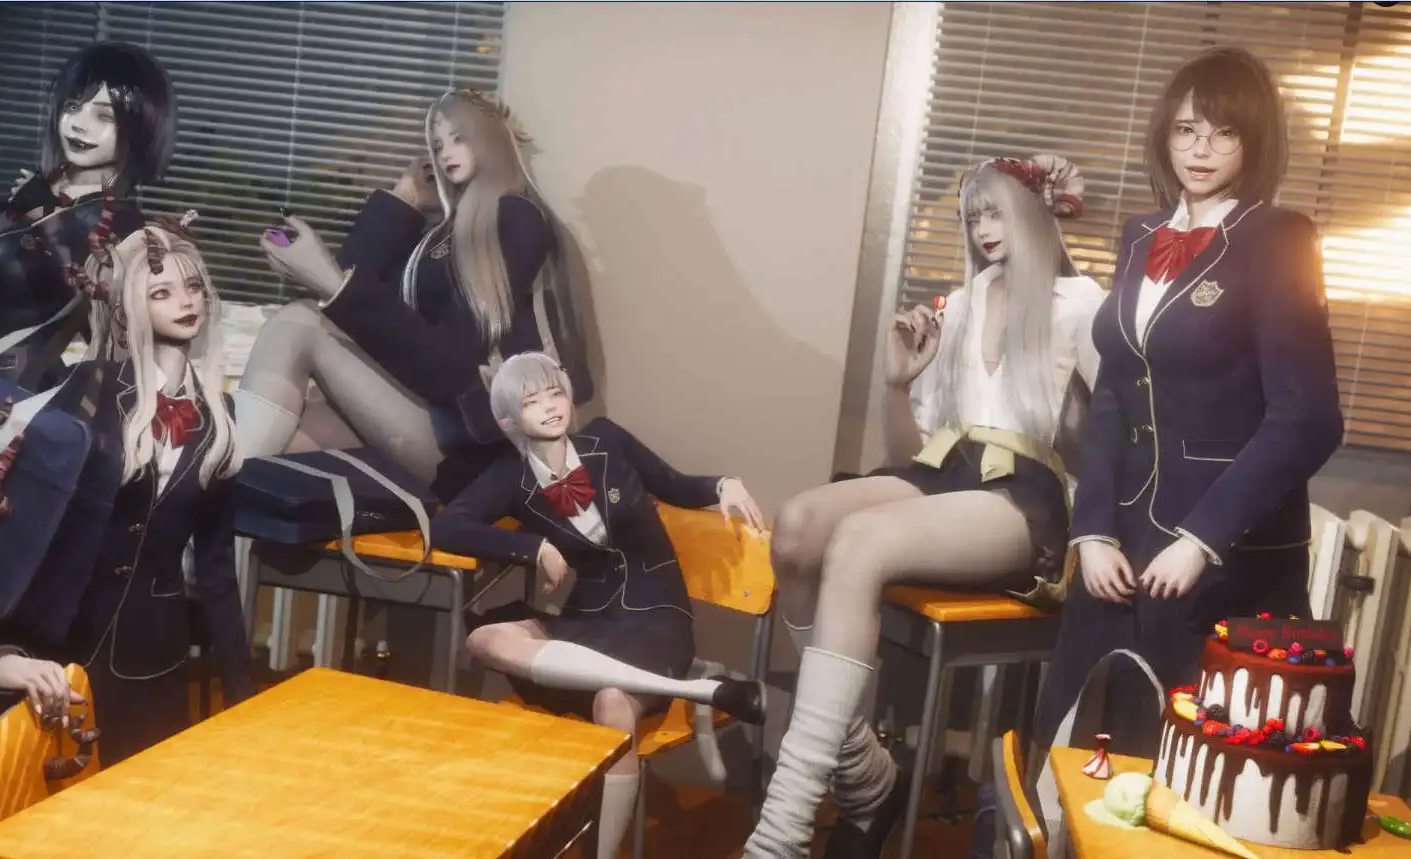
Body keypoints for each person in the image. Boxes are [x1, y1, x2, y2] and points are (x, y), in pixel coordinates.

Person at [746, 155, 1104, 858]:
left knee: (860, 541)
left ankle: (780, 831)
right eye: (973, 216)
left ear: (1036, 211)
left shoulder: (1081, 303)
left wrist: (1103, 535)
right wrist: (896, 384)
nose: (983, 228)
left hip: (1023, 496)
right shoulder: (962, 304)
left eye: (996, 211)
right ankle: (863, 770)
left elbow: (1120, 432)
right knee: (796, 527)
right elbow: (911, 448)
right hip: (947, 470)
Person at [1033, 45, 1344, 771]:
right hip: (1120, 543)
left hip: (1221, 550)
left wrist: (1202, 539)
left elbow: (1307, 418)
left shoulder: (1280, 238)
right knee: (1079, 745)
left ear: (1255, 140)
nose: (1200, 149)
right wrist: (1091, 529)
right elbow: (1114, 392)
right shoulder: (1141, 234)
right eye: (1185, 130)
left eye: (1223, 132)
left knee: (1186, 767)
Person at [431, 351, 766, 859]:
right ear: (507, 420)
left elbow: (673, 483)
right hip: (589, 620)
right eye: (531, 401)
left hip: (655, 615)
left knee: (612, 703)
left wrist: (722, 484)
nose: (549, 407)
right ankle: (693, 689)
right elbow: (446, 526)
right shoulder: (509, 476)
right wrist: (534, 548)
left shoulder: (606, 439)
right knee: (484, 638)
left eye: (555, 394)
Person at [0, 219, 254, 770]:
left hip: (151, 650)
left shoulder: (222, 415)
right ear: (129, 306)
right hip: (60, 631)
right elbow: (24, 521)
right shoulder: (88, 388)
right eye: (161, 292)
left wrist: (242, 693)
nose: (185, 301)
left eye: (193, 287)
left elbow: (216, 566)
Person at [234, 88, 590, 501]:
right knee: (275, 440)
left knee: (299, 322)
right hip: (433, 416)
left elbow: (448, 369)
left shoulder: (517, 218)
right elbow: (346, 301)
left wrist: (332, 285)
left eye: (459, 138)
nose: (444, 154)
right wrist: (404, 199)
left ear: (491, 138)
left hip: (481, 448)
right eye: (437, 145)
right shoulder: (446, 233)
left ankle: (197, 489)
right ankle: (204, 500)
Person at [0, 41, 171, 390]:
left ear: (140, 127)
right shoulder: (33, 190)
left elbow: (109, 336)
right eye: (73, 106)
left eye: (104, 116)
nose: (79, 124)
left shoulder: (123, 225)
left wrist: (46, 216)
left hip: (15, 403)